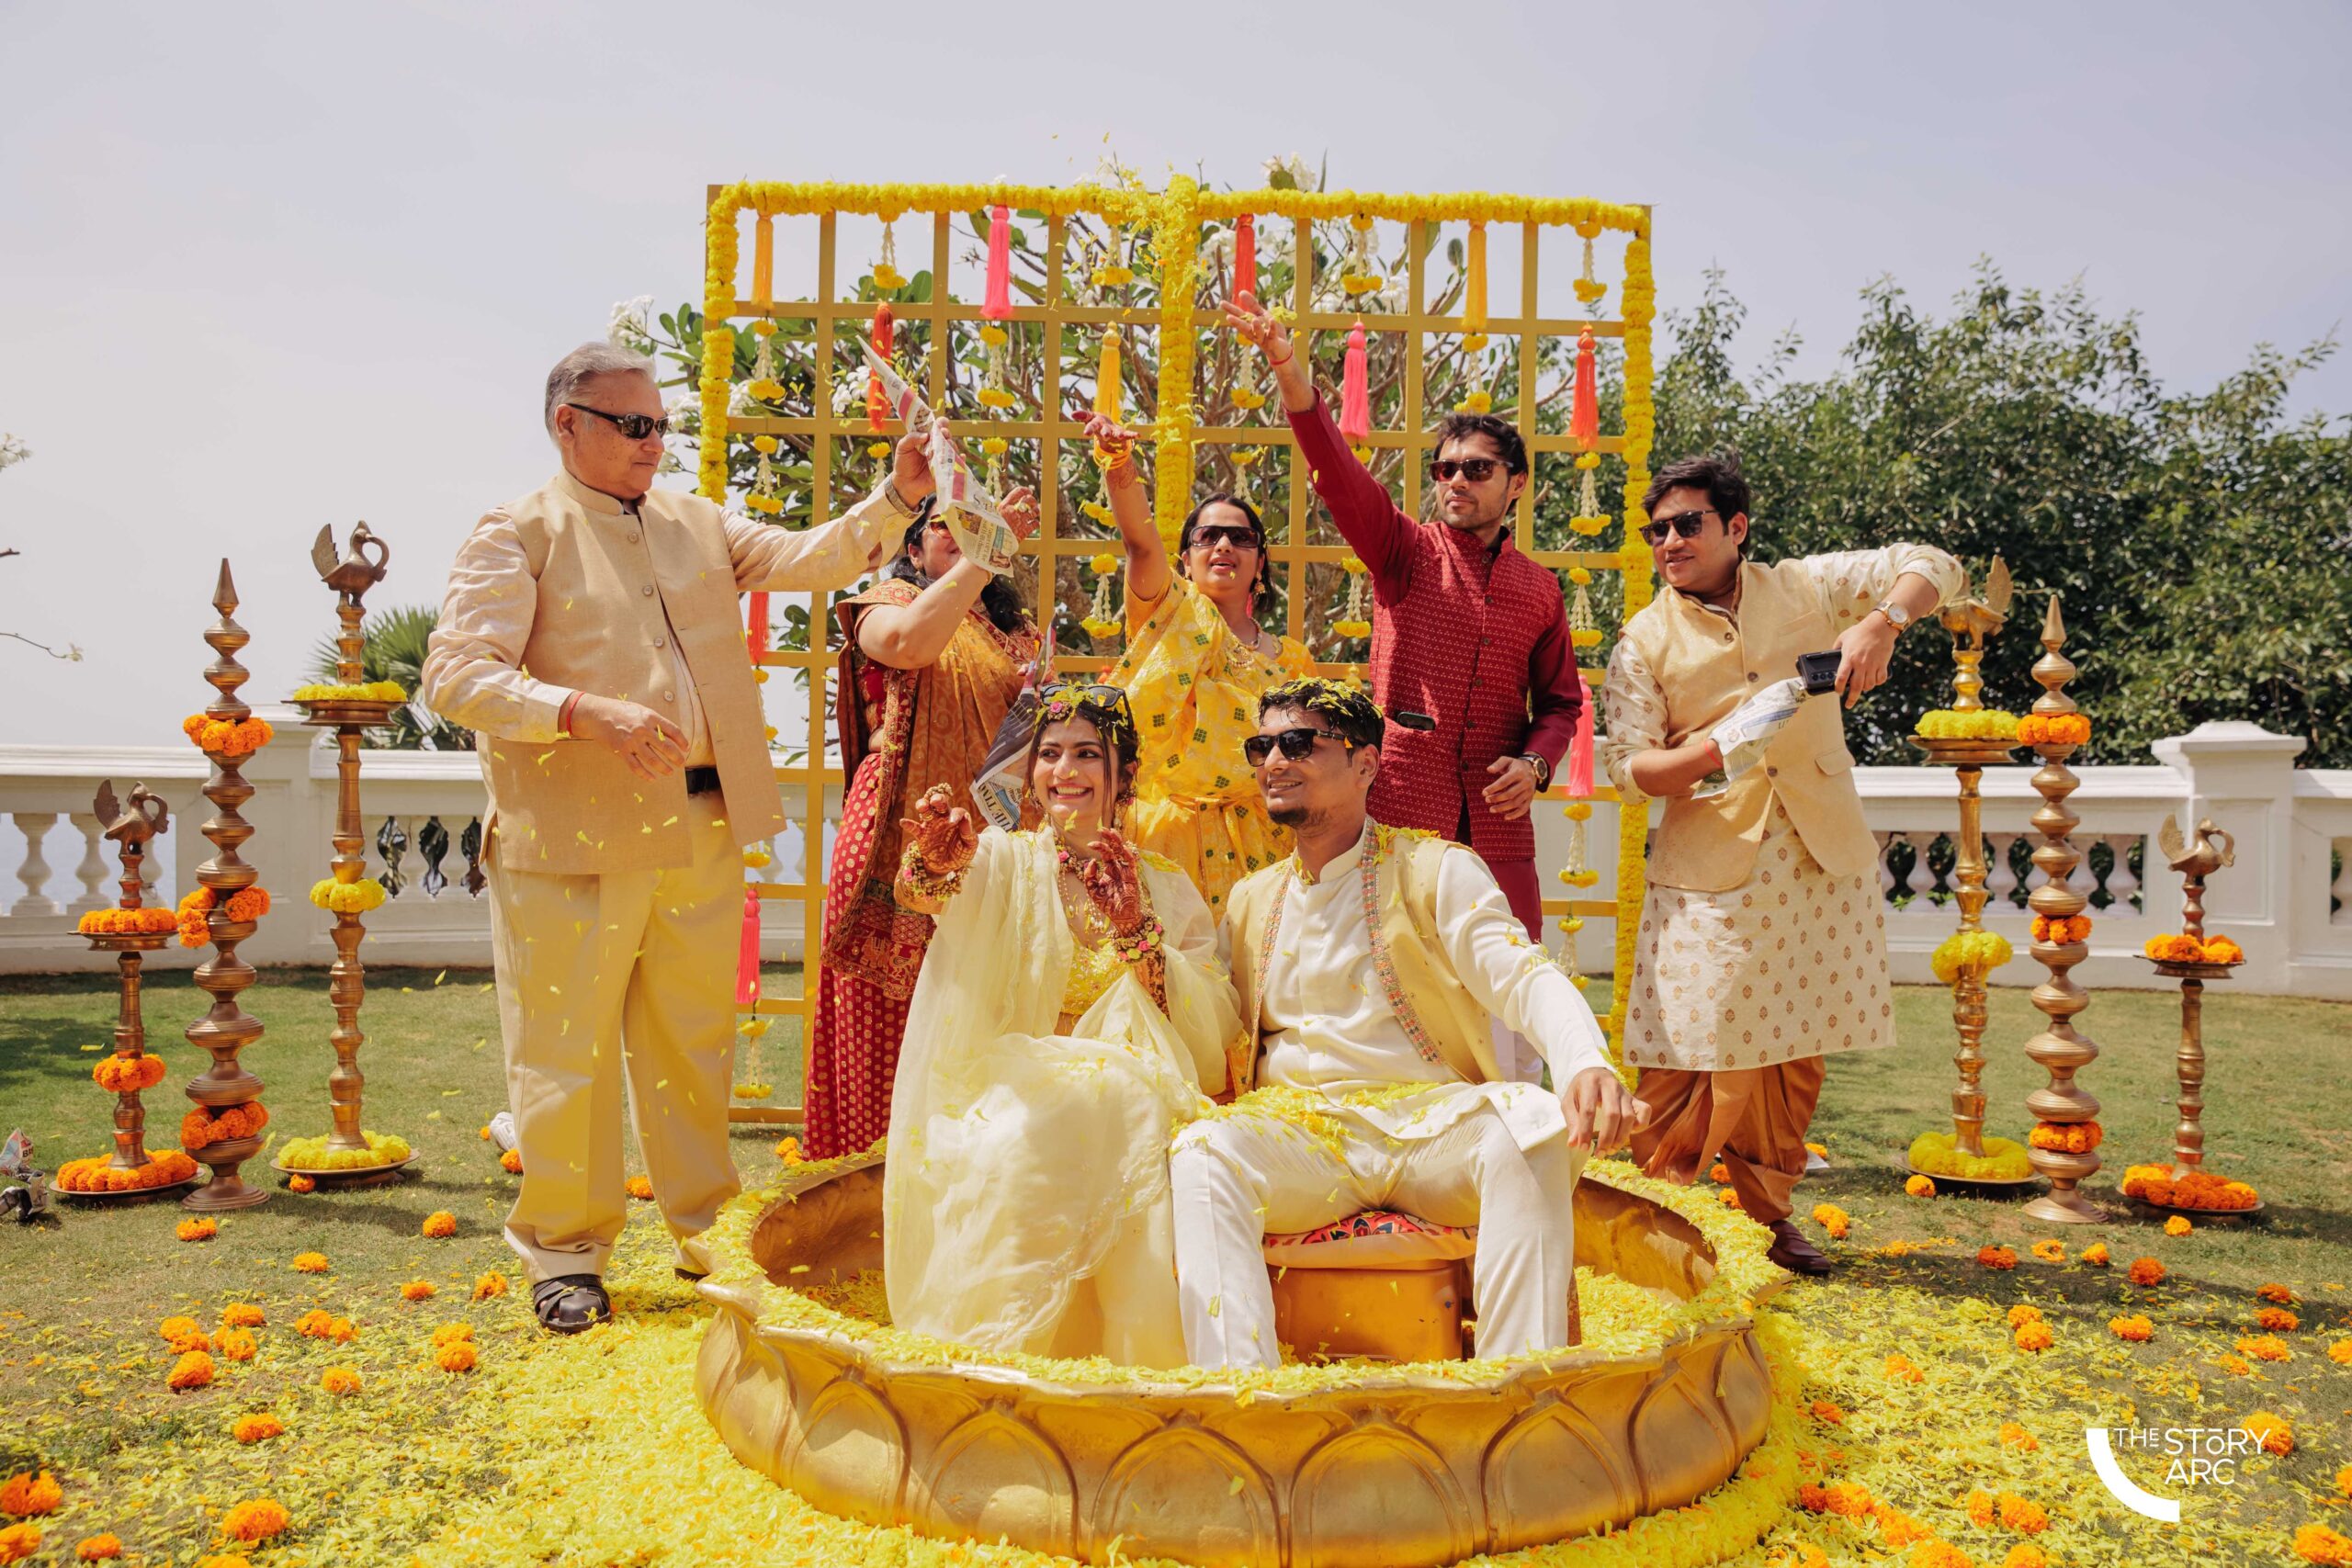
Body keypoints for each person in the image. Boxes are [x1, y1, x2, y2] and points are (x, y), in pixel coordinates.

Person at [419, 342, 926, 1333]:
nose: (654, 443)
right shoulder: (517, 531)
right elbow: (456, 675)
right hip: (570, 836)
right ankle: (566, 1254)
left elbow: (811, 557)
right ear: (567, 424)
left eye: (660, 424)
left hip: (700, 825)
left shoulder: (695, 522)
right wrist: (578, 711)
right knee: (565, 1053)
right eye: (633, 425)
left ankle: (710, 1238)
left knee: (692, 1045)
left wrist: (897, 499)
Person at [1170, 680, 1645, 1370]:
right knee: (1202, 1149)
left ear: (1365, 763)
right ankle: (1241, 1396)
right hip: (1302, 1137)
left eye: (1298, 743)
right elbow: (1208, 1018)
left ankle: (1518, 1390)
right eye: (1261, 746)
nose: (1274, 761)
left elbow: (1521, 973)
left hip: (1429, 1127)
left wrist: (1585, 1063)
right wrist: (1144, 950)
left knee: (1534, 1126)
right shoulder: (1252, 899)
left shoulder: (1433, 869)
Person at [1602, 452, 1962, 1276]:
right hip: (1710, 866)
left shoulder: (1805, 587)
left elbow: (1934, 565)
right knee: (1687, 1044)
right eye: (1656, 530)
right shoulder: (1644, 639)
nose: (1668, 541)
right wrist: (1718, 746)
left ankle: (1769, 1215)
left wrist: (1882, 623)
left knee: (1794, 1047)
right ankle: (1658, 1212)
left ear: (1736, 526)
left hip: (1814, 855)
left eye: (1686, 523)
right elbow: (1629, 769)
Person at [884, 685, 1238, 1367]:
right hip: (1007, 1094)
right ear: (1030, 772)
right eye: (1049, 754)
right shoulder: (1002, 860)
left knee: (1125, 1098)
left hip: (1138, 1098)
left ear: (1123, 774)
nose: (1065, 771)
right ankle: (1003, 1358)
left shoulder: (1164, 885)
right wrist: (931, 862)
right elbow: (927, 896)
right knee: (1082, 1112)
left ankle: (1138, 1363)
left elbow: (1208, 1019)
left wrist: (1137, 934)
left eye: (1087, 754)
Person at [1221, 293, 1583, 939]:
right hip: (1400, 809)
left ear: (1517, 483)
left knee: (1505, 978)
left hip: (1497, 827)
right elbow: (1339, 474)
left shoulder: (1540, 590)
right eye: (1446, 468)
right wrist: (1287, 369)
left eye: (1477, 469)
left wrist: (1534, 765)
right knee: (1389, 976)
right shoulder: (1405, 551)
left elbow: (1560, 703)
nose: (1457, 481)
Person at [803, 463, 1044, 1160]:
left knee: (981, 1008)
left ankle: (971, 1181)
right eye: (948, 523)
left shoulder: (1017, 637)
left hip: (992, 842)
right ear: (914, 545)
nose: (965, 533)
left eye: (979, 523)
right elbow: (910, 644)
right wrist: (985, 554)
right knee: (884, 1013)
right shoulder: (884, 601)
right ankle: (865, 1186)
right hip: (895, 835)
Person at [1082, 411, 1316, 915]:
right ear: (1185, 560)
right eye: (1207, 537)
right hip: (1166, 835)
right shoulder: (1167, 613)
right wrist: (1119, 464)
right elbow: (1140, 543)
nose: (1224, 545)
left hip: (1265, 839)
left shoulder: (1294, 660)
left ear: (1259, 564)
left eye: (1241, 538)